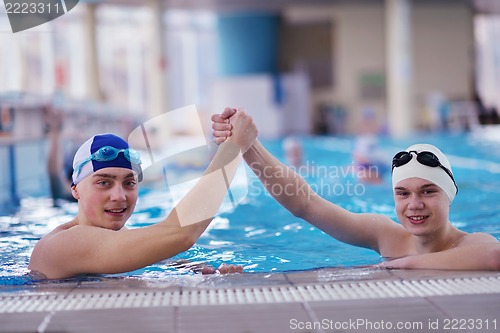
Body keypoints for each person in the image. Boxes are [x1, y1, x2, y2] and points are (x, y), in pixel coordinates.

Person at [212, 108, 500, 271]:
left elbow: (494, 257)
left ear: (449, 194)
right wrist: (247, 145)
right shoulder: (386, 234)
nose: (414, 204)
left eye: (428, 191)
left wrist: (399, 266)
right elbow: (306, 204)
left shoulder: (472, 243)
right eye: (403, 193)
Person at [29, 108, 256, 279]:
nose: (119, 196)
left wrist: (207, 273)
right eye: (104, 183)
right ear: (75, 190)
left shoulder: (117, 237)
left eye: (129, 183)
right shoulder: (65, 243)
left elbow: (167, 257)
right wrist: (232, 148)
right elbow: (180, 234)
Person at [43, 105, 78, 204]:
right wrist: (55, 130)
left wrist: (55, 130)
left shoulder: (73, 195)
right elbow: (54, 174)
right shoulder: (74, 194)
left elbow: (54, 173)